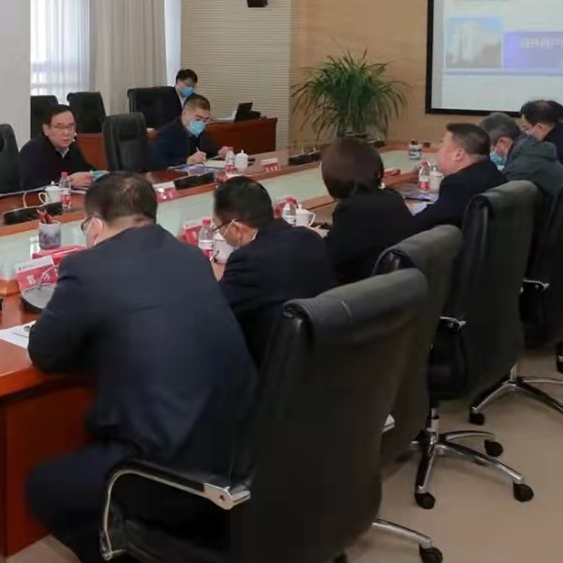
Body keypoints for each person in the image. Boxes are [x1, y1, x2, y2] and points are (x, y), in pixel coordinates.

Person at [26, 173, 256, 563]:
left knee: (44, 485)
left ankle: (132, 549)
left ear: (94, 225)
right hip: (239, 450)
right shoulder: (191, 257)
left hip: (166, 466)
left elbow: (44, 352)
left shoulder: (87, 267)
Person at [212, 177, 335, 364]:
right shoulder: (310, 238)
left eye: (219, 228)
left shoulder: (247, 260)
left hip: (277, 367)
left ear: (236, 227)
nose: (220, 233)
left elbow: (218, 312)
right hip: (324, 355)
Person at [320, 137, 415, 285]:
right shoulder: (392, 198)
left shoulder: (352, 210)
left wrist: (310, 237)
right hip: (399, 288)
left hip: (365, 292)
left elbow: (329, 258)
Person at [411, 123, 505, 232]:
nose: (438, 152)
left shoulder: (459, 185)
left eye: (442, 146)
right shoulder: (495, 174)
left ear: (458, 154)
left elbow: (418, 226)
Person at [480, 112, 563, 198]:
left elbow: (495, 197)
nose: (490, 152)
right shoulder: (532, 149)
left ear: (503, 142)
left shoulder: (520, 167)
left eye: (489, 147)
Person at [19, 104, 96, 190]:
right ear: (46, 129)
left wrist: (98, 175)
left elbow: (86, 170)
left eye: (70, 126)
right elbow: (30, 186)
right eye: (60, 127)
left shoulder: (73, 148)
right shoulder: (32, 151)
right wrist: (68, 182)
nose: (66, 132)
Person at [152, 94, 232, 169]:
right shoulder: (166, 133)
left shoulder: (200, 132)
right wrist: (187, 161)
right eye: (197, 119)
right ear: (184, 113)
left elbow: (210, 153)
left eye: (205, 120)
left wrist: (220, 153)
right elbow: (158, 164)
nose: (201, 123)